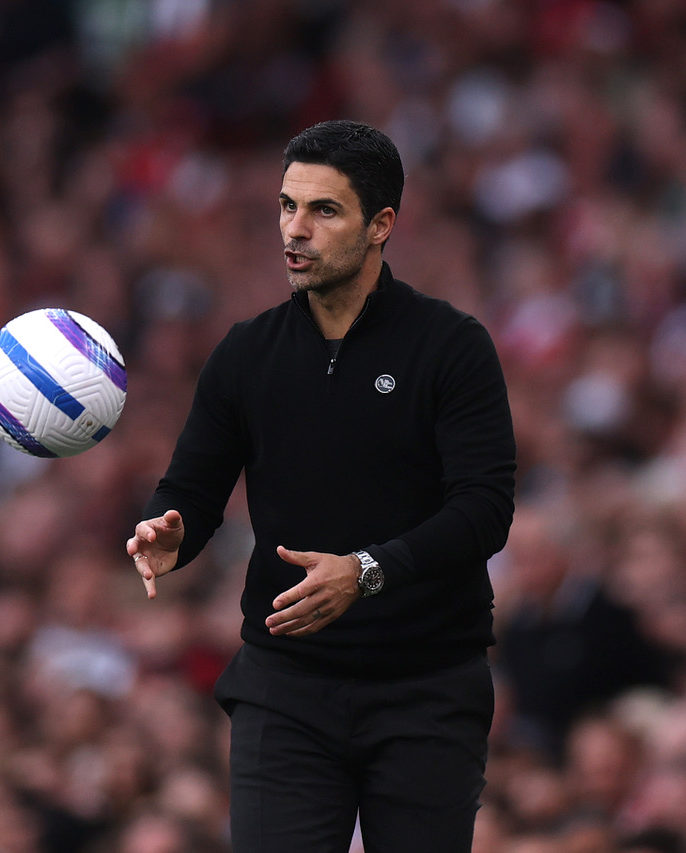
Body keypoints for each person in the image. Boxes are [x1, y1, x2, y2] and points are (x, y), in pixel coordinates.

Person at [126, 120, 516, 852]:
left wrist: (365, 572)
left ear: (381, 225)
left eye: (322, 210)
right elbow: (191, 491)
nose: (294, 230)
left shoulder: (451, 346)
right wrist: (166, 529)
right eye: (285, 206)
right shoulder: (247, 353)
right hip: (286, 687)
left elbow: (486, 509)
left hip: (426, 687)